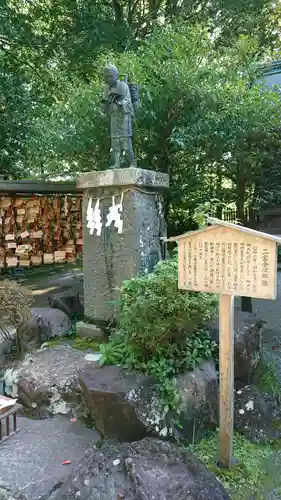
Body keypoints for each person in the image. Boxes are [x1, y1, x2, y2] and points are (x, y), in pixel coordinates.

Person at [102, 64, 135, 168]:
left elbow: (128, 102)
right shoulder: (107, 88)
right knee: (115, 142)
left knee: (126, 142)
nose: (108, 79)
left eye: (110, 76)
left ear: (116, 75)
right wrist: (105, 103)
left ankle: (132, 163)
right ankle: (116, 163)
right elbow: (104, 106)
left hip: (124, 118)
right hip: (114, 117)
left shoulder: (123, 86)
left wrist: (119, 102)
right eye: (106, 77)